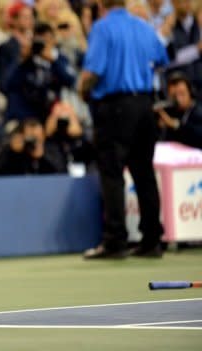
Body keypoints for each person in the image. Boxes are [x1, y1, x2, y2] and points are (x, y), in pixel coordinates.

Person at [78, 0, 169, 259]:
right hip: (144, 104)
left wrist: (84, 92)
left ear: (100, 3)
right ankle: (152, 239)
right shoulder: (144, 27)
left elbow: (93, 72)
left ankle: (115, 240)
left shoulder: (102, 28)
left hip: (115, 106)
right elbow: (162, 59)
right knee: (144, 172)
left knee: (112, 172)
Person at [157, 71, 202, 149]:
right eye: (174, 96)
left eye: (182, 94)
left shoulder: (198, 111)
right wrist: (160, 128)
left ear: (190, 92)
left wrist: (176, 125)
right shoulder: (170, 112)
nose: (178, 99)